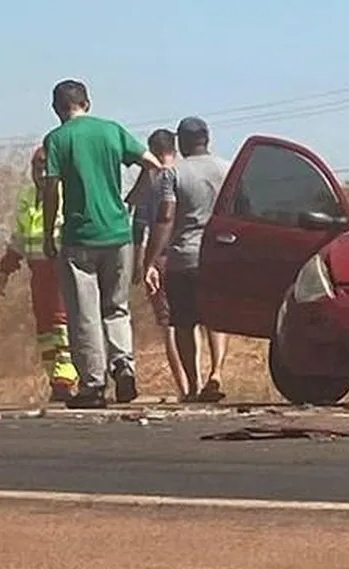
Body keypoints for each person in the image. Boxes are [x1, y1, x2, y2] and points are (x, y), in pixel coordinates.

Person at [42, 79, 164, 409]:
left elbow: (51, 188)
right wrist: (132, 199)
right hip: (118, 234)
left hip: (80, 236)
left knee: (84, 314)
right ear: (88, 103)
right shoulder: (112, 131)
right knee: (116, 307)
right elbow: (154, 165)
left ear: (57, 109)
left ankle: (93, 385)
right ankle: (124, 369)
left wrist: (49, 232)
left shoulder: (57, 140)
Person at [142, 116, 230, 402]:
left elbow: (166, 216)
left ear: (181, 142)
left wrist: (151, 258)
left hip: (184, 256)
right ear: (208, 138)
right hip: (219, 255)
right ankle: (217, 372)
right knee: (216, 319)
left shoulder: (173, 173)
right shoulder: (228, 169)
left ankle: (193, 385)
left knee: (184, 321)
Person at [0, 146, 79, 402]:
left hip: (61, 268)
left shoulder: (67, 192)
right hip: (37, 271)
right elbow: (19, 236)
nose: (41, 172)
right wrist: (6, 269)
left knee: (62, 322)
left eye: (45, 165)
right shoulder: (26, 195)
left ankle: (68, 378)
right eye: (37, 166)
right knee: (44, 328)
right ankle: (55, 378)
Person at [124, 128, 189, 400]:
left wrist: (139, 265)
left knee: (168, 325)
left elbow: (139, 227)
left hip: (159, 256)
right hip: (190, 253)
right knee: (194, 321)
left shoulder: (149, 181)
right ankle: (205, 378)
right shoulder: (188, 173)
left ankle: (185, 387)